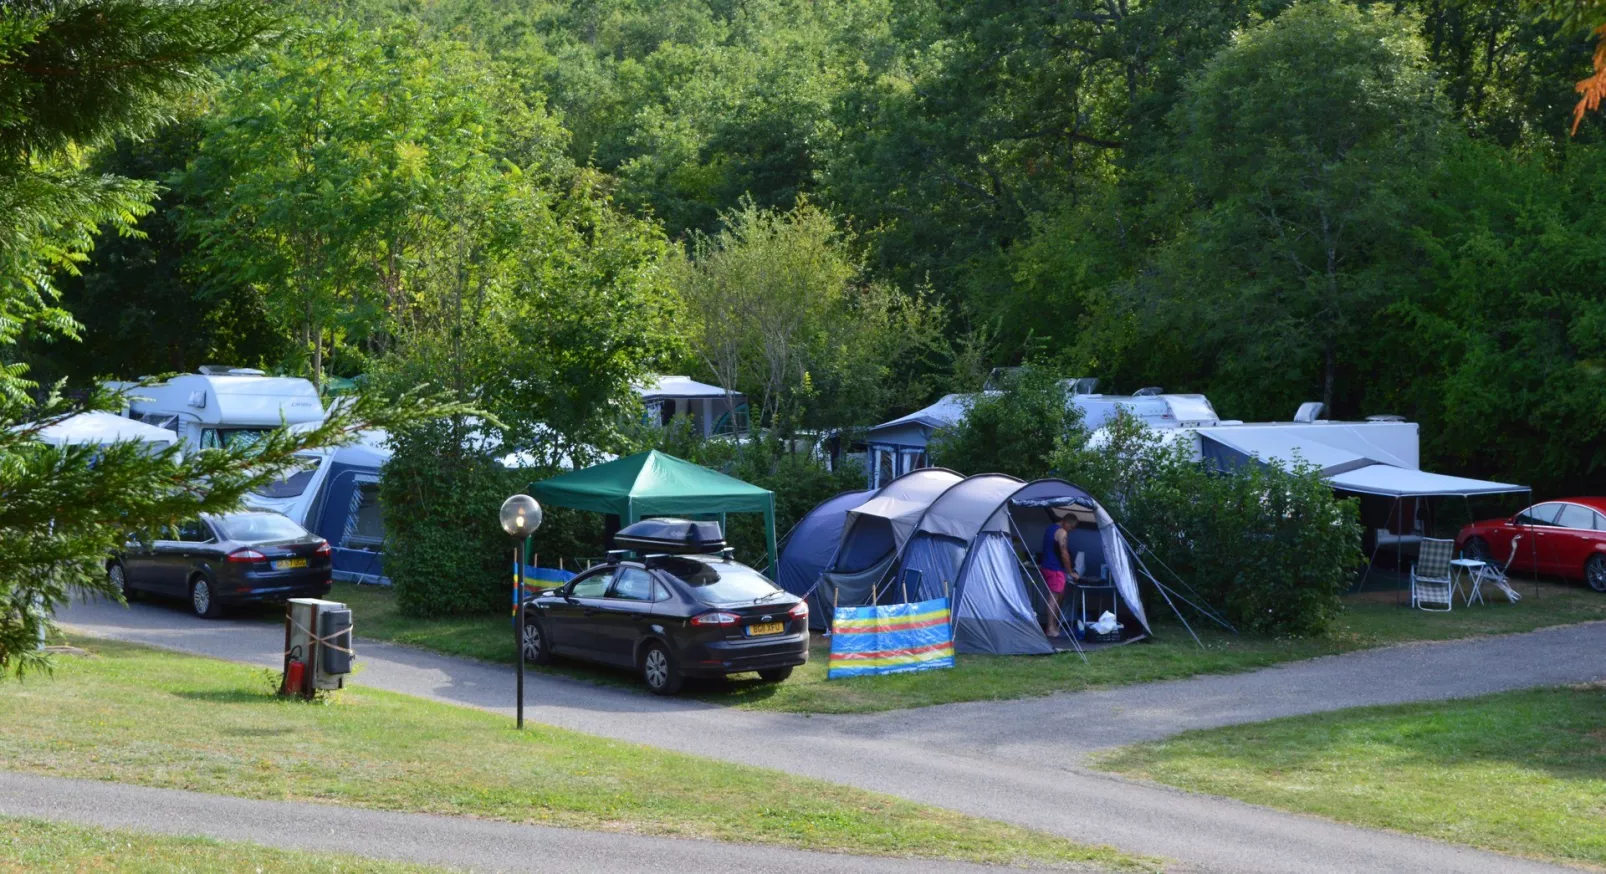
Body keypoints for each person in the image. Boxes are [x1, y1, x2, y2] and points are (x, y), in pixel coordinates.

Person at [1039, 510, 1081, 637]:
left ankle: (1054, 626)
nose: (1071, 530)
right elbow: (1064, 554)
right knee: (1054, 597)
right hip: (1054, 568)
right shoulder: (1062, 532)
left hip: (1046, 566)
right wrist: (1070, 572)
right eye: (1071, 527)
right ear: (1067, 522)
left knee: (1058, 596)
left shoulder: (1050, 528)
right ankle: (1050, 629)